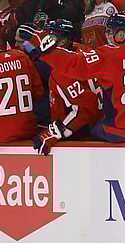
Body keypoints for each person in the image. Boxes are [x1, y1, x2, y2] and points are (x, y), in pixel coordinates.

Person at [29, 11, 125, 142]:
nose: (107, 35)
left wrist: (44, 51)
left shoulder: (109, 54)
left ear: (121, 35)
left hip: (122, 131)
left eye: (110, 32)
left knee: (92, 129)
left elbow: (75, 65)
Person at [23, 19, 103, 155]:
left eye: (50, 37)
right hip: (99, 120)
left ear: (62, 42)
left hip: (83, 131)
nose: (45, 41)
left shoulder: (63, 71)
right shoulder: (84, 50)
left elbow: (85, 109)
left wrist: (55, 133)